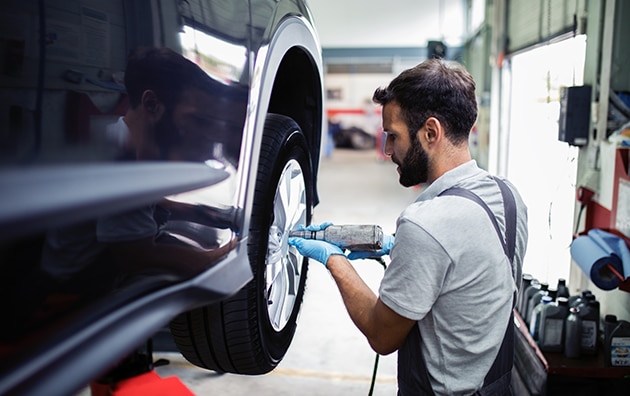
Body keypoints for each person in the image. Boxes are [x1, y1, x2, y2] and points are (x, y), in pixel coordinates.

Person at [289, 59, 528, 395]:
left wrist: (334, 260)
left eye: (393, 136)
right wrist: (397, 246)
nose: (387, 150)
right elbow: (473, 269)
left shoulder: (426, 224)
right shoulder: (507, 196)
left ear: (431, 132)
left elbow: (381, 335)